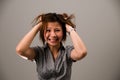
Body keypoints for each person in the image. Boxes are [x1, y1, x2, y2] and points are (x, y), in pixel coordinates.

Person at [16, 13, 87, 80]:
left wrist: (69, 29)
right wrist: (39, 25)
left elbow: (82, 52)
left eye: (57, 30)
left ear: (63, 32)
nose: (53, 35)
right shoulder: (39, 52)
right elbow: (20, 50)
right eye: (48, 30)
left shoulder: (67, 52)